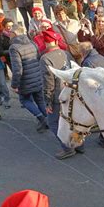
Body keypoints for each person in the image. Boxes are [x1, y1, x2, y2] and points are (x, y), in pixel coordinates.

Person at [39, 30, 81, 159]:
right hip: (71, 92)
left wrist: (48, 102)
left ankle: (68, 148)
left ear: (45, 43)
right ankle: (79, 144)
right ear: (56, 41)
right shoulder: (66, 53)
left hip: (58, 95)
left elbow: (48, 83)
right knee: (72, 121)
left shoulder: (45, 59)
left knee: (54, 123)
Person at [10, 27, 48, 132]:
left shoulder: (14, 47)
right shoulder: (32, 43)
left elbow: (17, 69)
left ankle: (41, 118)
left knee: (25, 100)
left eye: (11, 33)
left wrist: (14, 85)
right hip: (37, 77)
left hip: (25, 81)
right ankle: (48, 119)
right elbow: (39, 58)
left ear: (14, 34)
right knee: (40, 99)